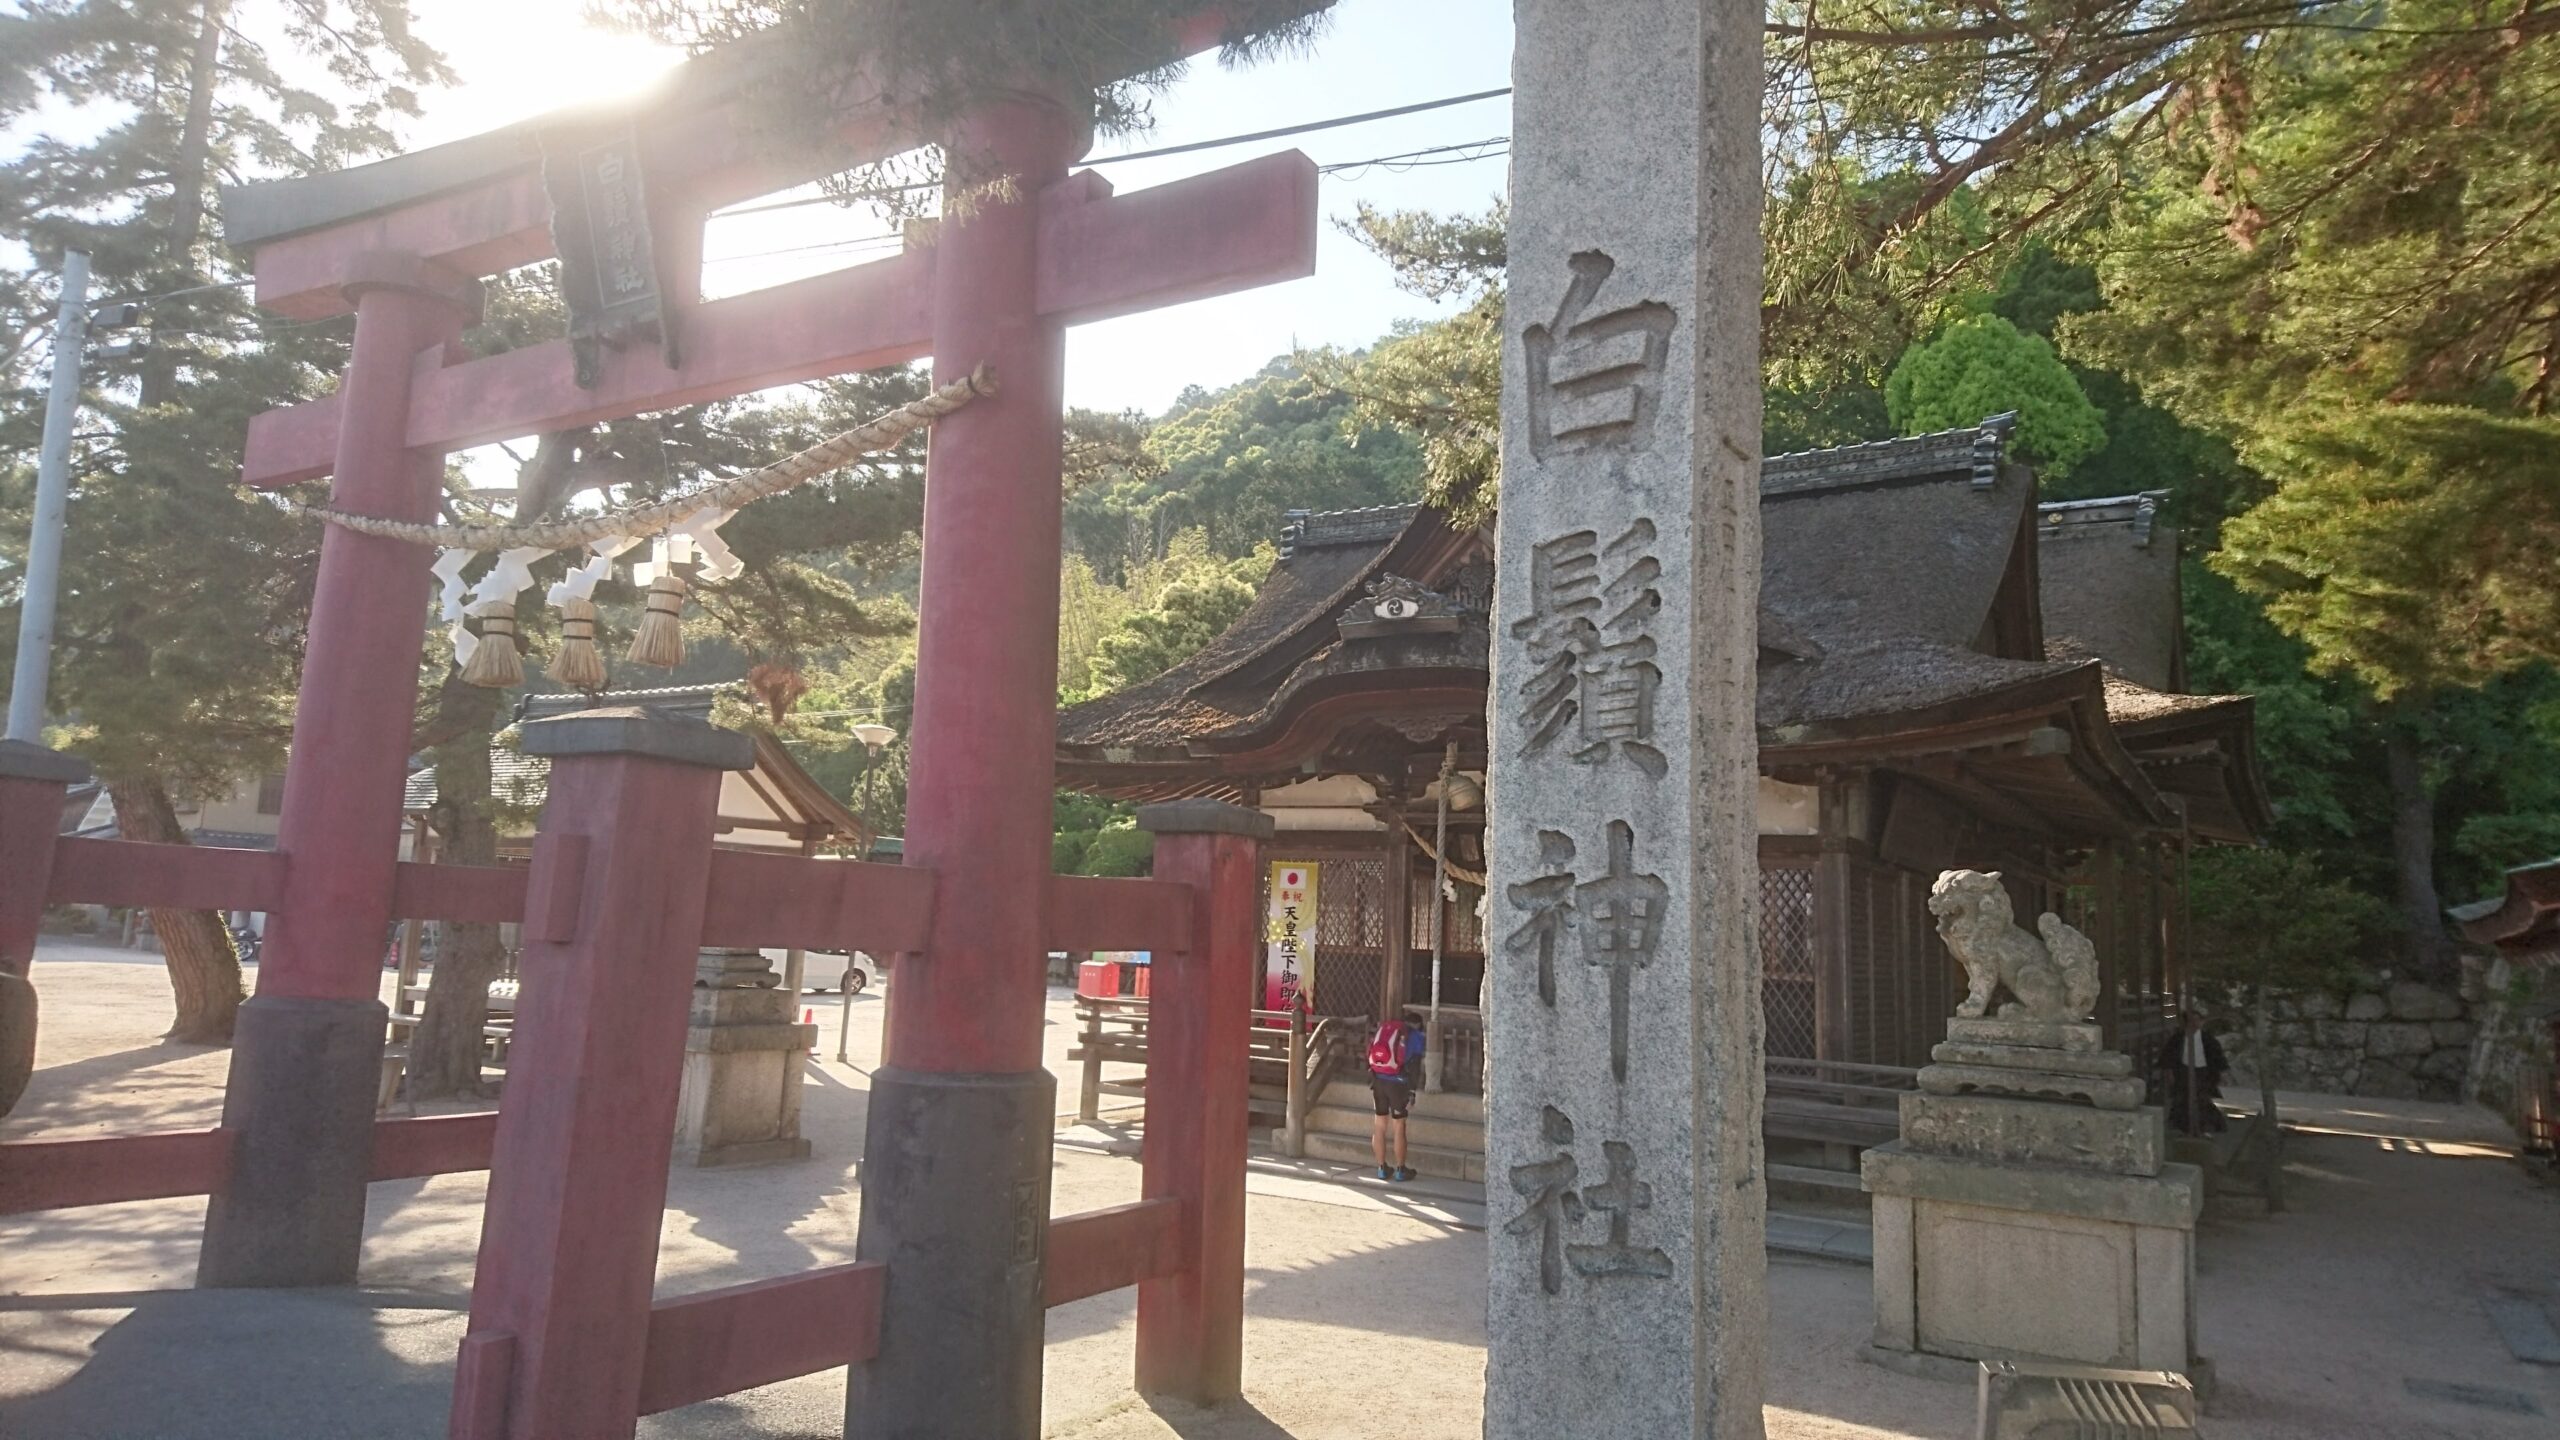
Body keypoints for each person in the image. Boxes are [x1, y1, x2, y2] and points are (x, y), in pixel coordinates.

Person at [1368, 1014, 1425, 1182]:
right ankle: (1400, 1169)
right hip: (1398, 1084)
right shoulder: (1414, 1037)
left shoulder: (1386, 1031)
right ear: (1418, 1025)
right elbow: (1414, 1065)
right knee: (1399, 1125)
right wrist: (1412, 1091)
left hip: (1379, 1081)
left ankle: (1381, 1168)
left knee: (1379, 1124)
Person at [2154, 1009, 2229, 1135]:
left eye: (2197, 1020)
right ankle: (2182, 1127)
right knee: (2182, 1099)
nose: (2194, 1023)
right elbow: (2168, 1056)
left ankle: (2204, 1126)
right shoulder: (2178, 1038)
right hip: (2183, 1071)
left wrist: (2222, 1073)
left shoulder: (2207, 1039)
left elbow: (2217, 1057)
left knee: (2202, 1099)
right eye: (2191, 1021)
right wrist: (2169, 1072)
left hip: (2203, 1072)